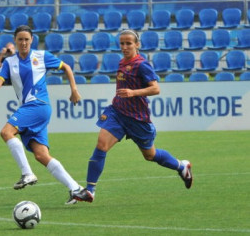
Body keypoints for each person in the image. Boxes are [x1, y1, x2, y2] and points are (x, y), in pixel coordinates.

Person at [73, 29, 193, 203]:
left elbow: (155, 88)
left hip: (137, 119)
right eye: (122, 43)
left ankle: (182, 166)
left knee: (150, 155)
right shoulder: (122, 62)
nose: (124, 46)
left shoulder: (142, 64)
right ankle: (90, 190)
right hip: (117, 113)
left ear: (137, 45)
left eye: (128, 43)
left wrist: (133, 92)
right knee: (101, 145)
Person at [0, 25, 83, 204]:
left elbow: (66, 67)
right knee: (41, 155)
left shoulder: (42, 56)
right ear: (15, 40)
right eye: (20, 39)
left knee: (6, 132)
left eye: (26, 39)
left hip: (38, 105)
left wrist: (74, 90)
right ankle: (76, 189)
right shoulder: (9, 62)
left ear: (32, 40)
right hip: (32, 108)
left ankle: (27, 173)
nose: (23, 43)